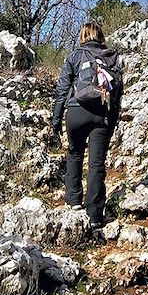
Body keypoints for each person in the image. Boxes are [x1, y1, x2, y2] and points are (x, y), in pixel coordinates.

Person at [52, 22, 122, 228]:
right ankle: (95, 215)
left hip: (76, 112)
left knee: (74, 154)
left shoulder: (74, 56)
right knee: (96, 164)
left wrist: (56, 121)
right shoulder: (112, 57)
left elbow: (62, 91)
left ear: (83, 36)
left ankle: (73, 201)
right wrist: (113, 119)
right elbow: (118, 93)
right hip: (102, 113)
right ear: (100, 36)